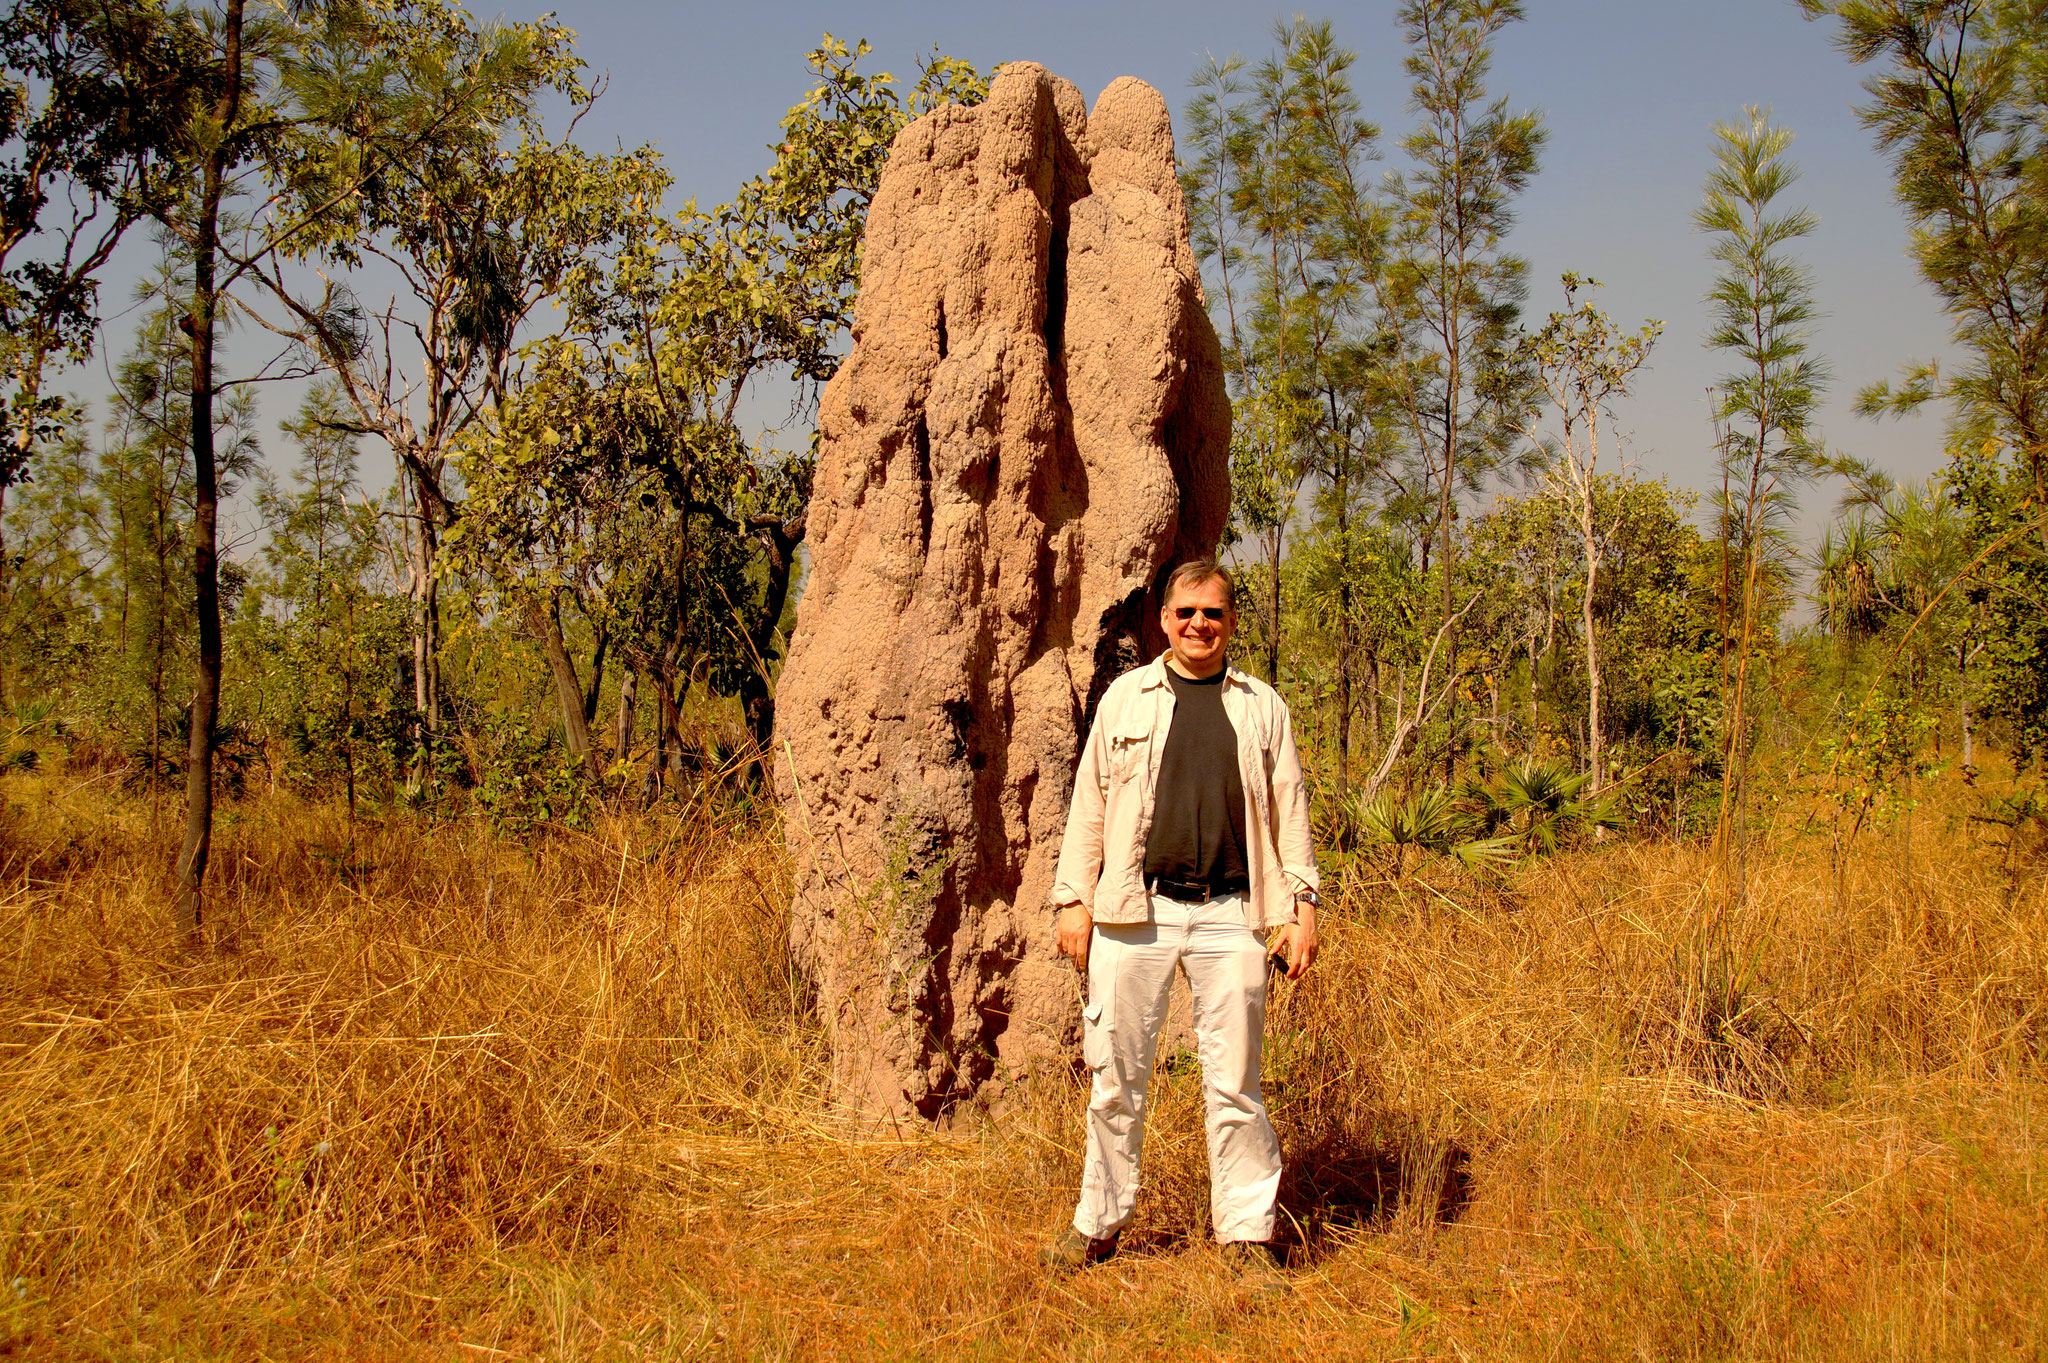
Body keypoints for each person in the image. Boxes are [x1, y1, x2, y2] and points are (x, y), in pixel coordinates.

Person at [1039, 558, 1320, 1280]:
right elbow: (1090, 802)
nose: (1200, 624)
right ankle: (1097, 1223)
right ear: (1164, 620)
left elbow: (1290, 811)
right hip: (1137, 910)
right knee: (1116, 1074)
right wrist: (1073, 898)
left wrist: (1302, 907)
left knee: (1235, 1083)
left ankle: (1246, 1235)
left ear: (1231, 623)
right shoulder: (1126, 700)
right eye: (1187, 612)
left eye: (1214, 613)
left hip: (1233, 912)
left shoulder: (1263, 707)